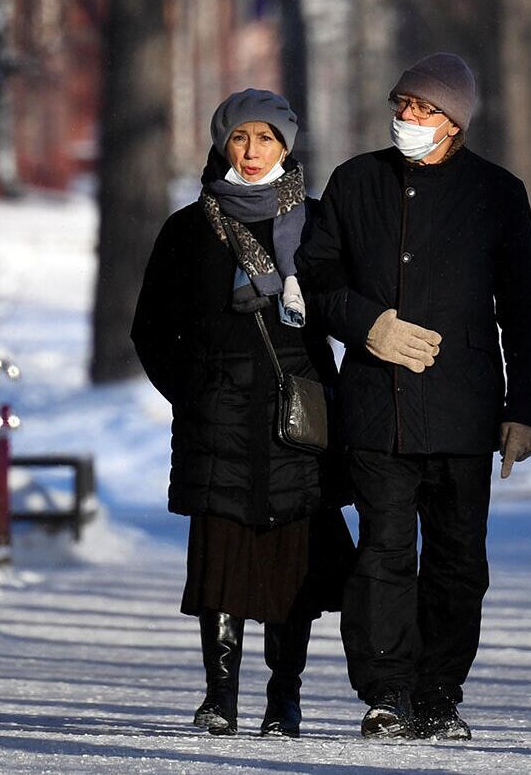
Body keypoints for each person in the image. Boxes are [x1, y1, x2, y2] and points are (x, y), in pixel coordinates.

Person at [297, 53, 531, 740]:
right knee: (382, 550)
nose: (407, 117)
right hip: (377, 406)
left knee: (458, 557)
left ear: (455, 121)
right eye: (402, 103)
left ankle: (440, 689)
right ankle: (386, 691)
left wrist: (525, 409)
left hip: (466, 409)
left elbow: (525, 307)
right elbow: (313, 283)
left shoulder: (497, 193)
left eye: (425, 108)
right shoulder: (356, 182)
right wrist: (367, 324)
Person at [130, 89, 354, 739]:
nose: (252, 153)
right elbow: (151, 329)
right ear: (220, 143)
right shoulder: (187, 229)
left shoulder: (318, 225)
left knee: (294, 564)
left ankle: (284, 698)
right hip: (218, 420)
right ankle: (219, 695)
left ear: (287, 145)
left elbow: (346, 313)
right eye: (239, 139)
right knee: (221, 561)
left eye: (266, 139)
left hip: (299, 420)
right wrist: (194, 390)